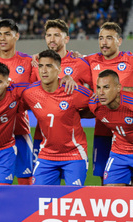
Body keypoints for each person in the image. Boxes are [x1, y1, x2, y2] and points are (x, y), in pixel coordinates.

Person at [84, 22, 133, 185]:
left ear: (119, 41)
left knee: (132, 179)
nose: (103, 42)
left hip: (130, 130)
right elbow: (66, 64)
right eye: (100, 38)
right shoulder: (90, 60)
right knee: (104, 178)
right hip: (103, 129)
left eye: (109, 38)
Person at [0, 19, 36, 185]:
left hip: (19, 127)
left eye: (7, 34)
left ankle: (26, 210)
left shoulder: (28, 62)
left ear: (17, 36)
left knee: (25, 176)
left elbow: (36, 91)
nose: (2, 38)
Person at [21, 50, 93, 185]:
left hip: (74, 154)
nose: (44, 70)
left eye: (49, 66)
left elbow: (98, 103)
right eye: (41, 66)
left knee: (72, 199)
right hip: (46, 154)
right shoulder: (30, 93)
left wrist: (78, 114)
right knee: (40, 198)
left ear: (59, 69)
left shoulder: (73, 90)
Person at [32, 19, 93, 168]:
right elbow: (30, 92)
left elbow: (95, 95)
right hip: (42, 134)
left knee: (73, 189)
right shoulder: (36, 64)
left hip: (70, 135)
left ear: (66, 39)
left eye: (57, 35)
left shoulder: (79, 63)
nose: (52, 39)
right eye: (48, 35)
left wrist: (79, 113)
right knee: (41, 188)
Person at [89, 69, 133, 186]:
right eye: (98, 87)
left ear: (118, 88)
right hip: (119, 153)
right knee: (110, 192)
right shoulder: (95, 105)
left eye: (106, 87)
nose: (101, 92)